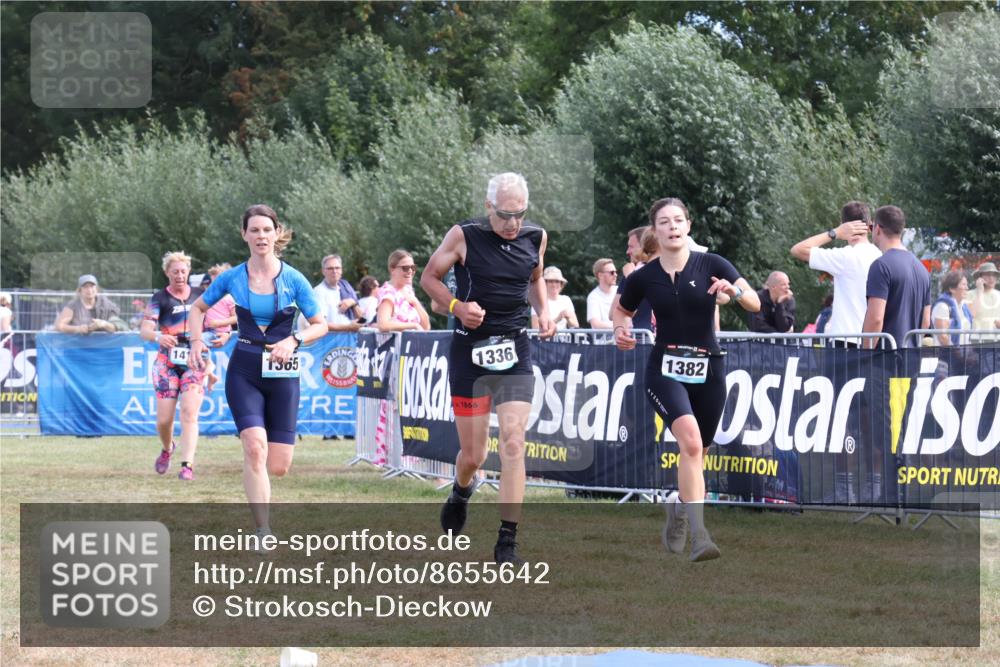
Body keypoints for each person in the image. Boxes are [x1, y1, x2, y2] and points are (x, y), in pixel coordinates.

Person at [420, 172, 555, 564]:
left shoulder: (536, 236)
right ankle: (462, 488)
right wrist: (458, 307)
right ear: (488, 207)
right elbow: (430, 278)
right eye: (504, 215)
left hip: (515, 349)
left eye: (519, 215)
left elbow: (535, 278)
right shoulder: (464, 235)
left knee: (514, 441)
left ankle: (508, 538)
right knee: (474, 454)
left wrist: (543, 311)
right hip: (470, 353)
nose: (512, 223)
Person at [614, 197, 760, 562]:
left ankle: (678, 509)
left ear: (689, 226)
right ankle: (700, 536)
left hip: (708, 369)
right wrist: (621, 330)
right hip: (664, 369)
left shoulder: (712, 263)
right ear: (656, 231)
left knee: (698, 452)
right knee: (691, 444)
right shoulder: (644, 276)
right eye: (665, 222)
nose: (673, 226)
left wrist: (734, 291)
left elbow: (755, 302)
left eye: (679, 220)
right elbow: (621, 309)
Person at [188, 205, 327, 540]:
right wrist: (195, 340)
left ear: (276, 233)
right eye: (255, 230)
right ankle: (262, 528)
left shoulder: (294, 279)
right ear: (244, 235)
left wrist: (294, 340)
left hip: (283, 373)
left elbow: (320, 326)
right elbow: (197, 308)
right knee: (254, 447)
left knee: (278, 466)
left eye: (267, 230)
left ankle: (263, 493)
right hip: (245, 369)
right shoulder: (232, 278)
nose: (261, 236)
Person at [139, 253, 212, 481]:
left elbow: (213, 325)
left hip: (194, 360)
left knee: (189, 413)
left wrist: (223, 337)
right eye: (175, 272)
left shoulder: (201, 296)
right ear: (167, 273)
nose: (180, 276)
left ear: (188, 272)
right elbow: (145, 330)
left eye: (183, 271)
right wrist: (158, 336)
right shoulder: (159, 298)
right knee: (164, 420)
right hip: (167, 363)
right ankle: (167, 447)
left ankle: (187, 465)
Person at [790, 201, 881, 346]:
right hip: (875, 339)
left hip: (846, 339)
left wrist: (835, 232)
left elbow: (797, 249)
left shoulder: (844, 257)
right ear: (869, 225)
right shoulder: (880, 255)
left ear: (843, 224)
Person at [862, 205, 931, 349]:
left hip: (883, 359)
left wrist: (865, 353)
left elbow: (875, 318)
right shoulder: (922, 269)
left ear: (878, 229)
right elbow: (925, 321)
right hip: (911, 358)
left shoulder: (881, 266)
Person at [375, 250, 431, 333]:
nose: (410, 271)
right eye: (405, 268)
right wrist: (413, 325)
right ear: (392, 269)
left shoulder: (408, 290)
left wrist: (415, 302)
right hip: (395, 345)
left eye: (413, 267)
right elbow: (383, 325)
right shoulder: (388, 293)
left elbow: (426, 327)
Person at [307, 254, 363, 333]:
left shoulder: (347, 289)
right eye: (330, 268)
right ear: (323, 271)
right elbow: (319, 324)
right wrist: (349, 327)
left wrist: (353, 303)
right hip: (330, 342)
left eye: (337, 268)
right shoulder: (319, 292)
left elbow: (363, 320)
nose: (334, 271)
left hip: (350, 341)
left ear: (341, 270)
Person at [54, 275, 128, 334]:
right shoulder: (73, 305)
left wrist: (103, 324)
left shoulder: (106, 304)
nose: (89, 290)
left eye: (92, 286)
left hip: (103, 348)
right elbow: (59, 326)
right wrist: (78, 329)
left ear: (97, 289)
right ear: (80, 290)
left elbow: (120, 326)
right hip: (77, 347)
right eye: (85, 287)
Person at [933, 270, 973, 346]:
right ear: (952, 288)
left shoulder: (963, 307)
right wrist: (959, 355)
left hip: (963, 353)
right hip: (947, 356)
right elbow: (943, 338)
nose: (967, 288)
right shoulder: (942, 307)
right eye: (964, 285)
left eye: (967, 285)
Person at [968, 261, 1000, 342]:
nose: (991, 278)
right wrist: (980, 291)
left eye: (994, 275)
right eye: (988, 275)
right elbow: (970, 315)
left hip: (997, 340)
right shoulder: (970, 294)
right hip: (977, 341)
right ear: (980, 277)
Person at [587, 258, 617, 329]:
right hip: (603, 339)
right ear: (600, 275)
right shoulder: (593, 296)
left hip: (623, 337)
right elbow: (596, 325)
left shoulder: (620, 291)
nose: (615, 275)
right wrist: (619, 327)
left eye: (616, 272)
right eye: (612, 272)